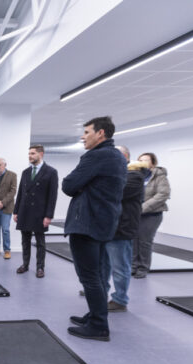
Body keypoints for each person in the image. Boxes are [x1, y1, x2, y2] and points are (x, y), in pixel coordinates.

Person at [63, 116, 126, 342]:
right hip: (103, 223)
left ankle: (99, 325)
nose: (83, 137)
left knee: (89, 277)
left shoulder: (96, 156)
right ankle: (94, 315)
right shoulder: (118, 156)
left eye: (87, 132)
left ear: (100, 133)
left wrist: (82, 186)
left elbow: (68, 185)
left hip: (87, 225)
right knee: (98, 274)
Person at [100, 146, 147, 312]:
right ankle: (100, 291)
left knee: (119, 267)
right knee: (103, 265)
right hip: (106, 227)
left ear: (125, 157)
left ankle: (120, 300)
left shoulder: (135, 176)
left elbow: (114, 192)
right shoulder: (115, 174)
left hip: (122, 228)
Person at [13, 145, 58, 278]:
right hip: (25, 211)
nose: (30, 156)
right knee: (25, 241)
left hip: (40, 212)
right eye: (29, 154)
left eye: (32, 153)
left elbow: (52, 196)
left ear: (41, 154)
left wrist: (49, 215)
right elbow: (20, 193)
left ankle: (40, 267)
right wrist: (16, 211)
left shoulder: (51, 172)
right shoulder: (26, 172)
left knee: (40, 242)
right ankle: (25, 264)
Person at [131, 152, 171, 279]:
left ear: (153, 163)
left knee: (144, 241)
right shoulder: (136, 175)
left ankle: (143, 268)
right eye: (140, 160)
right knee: (133, 240)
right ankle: (133, 266)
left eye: (146, 160)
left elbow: (163, 194)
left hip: (152, 214)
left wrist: (142, 208)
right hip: (135, 213)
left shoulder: (160, 176)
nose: (142, 162)